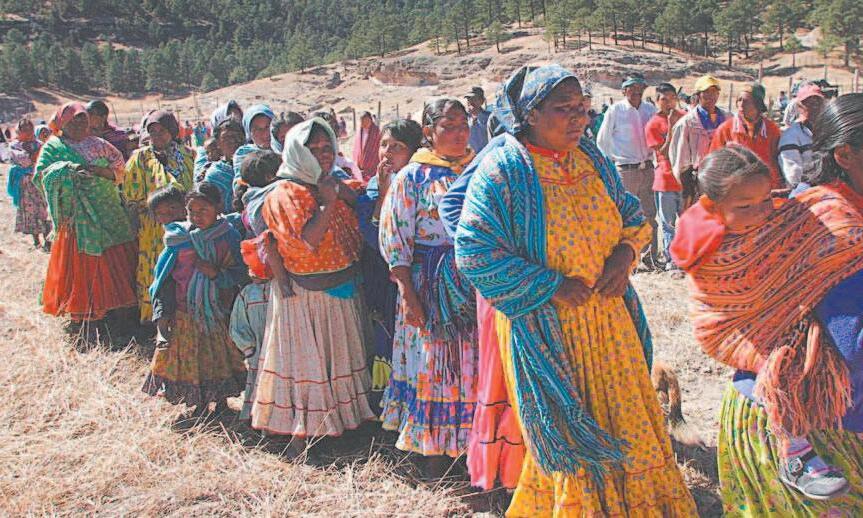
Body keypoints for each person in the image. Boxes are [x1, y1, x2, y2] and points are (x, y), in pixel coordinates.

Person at [454, 65, 696, 515]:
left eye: (582, 109)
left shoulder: (591, 158)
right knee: (571, 432)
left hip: (609, 319)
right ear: (530, 114)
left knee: (629, 419)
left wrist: (625, 254)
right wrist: (551, 285)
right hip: (549, 325)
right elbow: (473, 251)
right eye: (563, 109)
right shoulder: (503, 169)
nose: (579, 119)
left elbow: (632, 216)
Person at [670, 119, 863, 511]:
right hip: (754, 355)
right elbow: (700, 273)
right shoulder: (709, 235)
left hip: (790, 378)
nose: (760, 212)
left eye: (765, 201)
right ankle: (795, 452)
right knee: (784, 365)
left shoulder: (793, 218)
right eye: (746, 206)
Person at [249, 118, 374, 443]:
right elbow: (308, 241)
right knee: (307, 368)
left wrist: (340, 193)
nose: (324, 154)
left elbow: (359, 204)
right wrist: (329, 202)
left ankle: (340, 429)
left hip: (339, 292)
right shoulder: (286, 193)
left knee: (337, 362)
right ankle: (304, 436)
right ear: (296, 152)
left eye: (327, 147)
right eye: (313, 149)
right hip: (305, 299)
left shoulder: (330, 182)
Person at [377, 97, 479, 474]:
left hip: (474, 285)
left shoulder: (479, 169)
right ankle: (433, 455)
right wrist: (408, 294)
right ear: (428, 132)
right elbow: (395, 238)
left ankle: (471, 450)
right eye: (448, 127)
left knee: (471, 366)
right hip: (429, 286)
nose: (458, 134)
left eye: (463, 126)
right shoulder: (413, 177)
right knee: (436, 365)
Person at [143, 182, 247, 417]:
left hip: (217, 310)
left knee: (218, 358)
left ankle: (221, 402)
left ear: (218, 207)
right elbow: (163, 277)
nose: (196, 216)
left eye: (203, 210)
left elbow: (240, 273)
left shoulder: (228, 236)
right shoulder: (178, 237)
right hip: (185, 311)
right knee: (192, 359)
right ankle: (198, 404)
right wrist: (163, 313)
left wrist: (216, 274)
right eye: (191, 211)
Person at [34, 102, 136, 333]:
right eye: (73, 121)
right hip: (77, 215)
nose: (79, 125)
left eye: (83, 120)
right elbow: (41, 177)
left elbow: (120, 170)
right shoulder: (53, 147)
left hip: (107, 209)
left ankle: (118, 312)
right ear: (62, 123)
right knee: (84, 263)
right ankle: (87, 315)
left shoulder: (99, 144)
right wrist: (66, 170)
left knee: (115, 257)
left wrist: (97, 171)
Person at [354, 119, 423, 414]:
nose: (387, 152)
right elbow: (373, 237)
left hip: (413, 276)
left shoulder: (421, 184)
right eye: (384, 145)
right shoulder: (374, 186)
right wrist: (382, 194)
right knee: (385, 337)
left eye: (397, 146)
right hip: (381, 278)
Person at [124, 110, 196, 323]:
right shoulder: (140, 158)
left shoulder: (187, 155)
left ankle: (185, 318)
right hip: (153, 226)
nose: (156, 136)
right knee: (157, 267)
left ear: (172, 131)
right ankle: (157, 318)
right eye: (152, 131)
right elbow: (130, 192)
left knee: (183, 267)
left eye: (162, 131)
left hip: (185, 224)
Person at [596, 74, 659, 269]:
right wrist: (609, 168)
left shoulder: (650, 110)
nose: (636, 91)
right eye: (632, 88)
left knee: (650, 214)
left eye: (640, 87)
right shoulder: (615, 111)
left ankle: (650, 257)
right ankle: (626, 260)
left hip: (647, 168)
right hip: (626, 170)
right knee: (626, 215)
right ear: (624, 90)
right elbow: (602, 141)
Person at [709, 83, 784, 189]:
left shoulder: (772, 130)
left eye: (746, 101)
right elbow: (714, 163)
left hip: (767, 187)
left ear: (758, 104)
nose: (741, 104)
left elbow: (779, 161)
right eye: (739, 100)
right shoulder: (725, 129)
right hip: (738, 189)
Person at [669, 74, 727, 208]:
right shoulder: (687, 123)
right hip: (699, 181)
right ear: (698, 95)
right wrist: (686, 188)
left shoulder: (727, 118)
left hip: (725, 179)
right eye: (706, 92)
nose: (711, 96)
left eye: (714, 92)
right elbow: (680, 158)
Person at [645, 83, 686, 269]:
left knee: (688, 221)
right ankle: (672, 260)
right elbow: (662, 152)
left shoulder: (685, 117)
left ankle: (688, 257)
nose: (669, 103)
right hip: (665, 179)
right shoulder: (653, 124)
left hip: (685, 178)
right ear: (656, 101)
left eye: (672, 98)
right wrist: (671, 128)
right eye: (664, 99)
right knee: (668, 223)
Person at [7, 119, 51, 250]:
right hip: (26, 184)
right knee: (30, 211)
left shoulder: (39, 144)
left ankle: (48, 241)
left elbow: (46, 159)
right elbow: (26, 161)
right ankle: (36, 241)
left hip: (40, 182)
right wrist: (42, 148)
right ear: (19, 132)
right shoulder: (15, 146)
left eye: (30, 129)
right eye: (24, 130)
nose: (28, 133)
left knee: (44, 211)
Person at [779, 84, 826, 188]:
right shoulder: (791, 135)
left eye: (818, 102)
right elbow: (793, 175)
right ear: (799, 107)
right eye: (809, 103)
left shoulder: (827, 131)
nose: (815, 107)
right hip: (804, 188)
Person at [200, 119, 245, 214]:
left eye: (237, 136)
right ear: (218, 143)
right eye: (227, 137)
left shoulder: (253, 165)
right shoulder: (214, 174)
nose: (233, 140)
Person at [232, 104, 274, 186]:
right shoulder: (243, 153)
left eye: (267, 127)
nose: (265, 133)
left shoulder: (285, 148)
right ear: (249, 132)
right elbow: (240, 185)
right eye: (257, 129)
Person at [352, 111, 382, 182]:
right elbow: (356, 149)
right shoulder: (359, 132)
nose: (364, 124)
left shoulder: (376, 132)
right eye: (362, 122)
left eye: (366, 121)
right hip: (360, 164)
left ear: (371, 120)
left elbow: (377, 148)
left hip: (372, 165)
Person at [465, 86, 491, 153]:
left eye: (474, 99)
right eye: (468, 99)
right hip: (471, 157)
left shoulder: (490, 117)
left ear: (482, 101)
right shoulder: (463, 119)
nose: (471, 101)